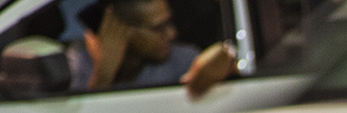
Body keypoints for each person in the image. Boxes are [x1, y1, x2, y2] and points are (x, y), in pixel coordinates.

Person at [69, 0, 235, 98]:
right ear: (121, 30)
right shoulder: (79, 64)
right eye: (158, 28)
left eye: (169, 22)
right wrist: (104, 74)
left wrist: (222, 66)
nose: (172, 33)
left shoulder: (183, 59)